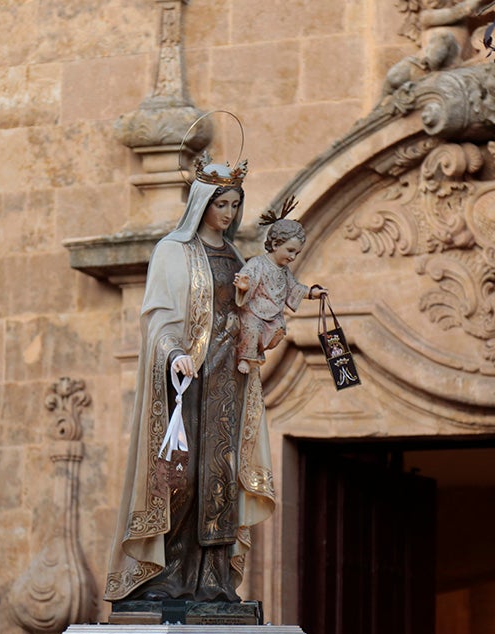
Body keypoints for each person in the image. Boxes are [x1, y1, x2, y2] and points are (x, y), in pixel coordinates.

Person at [103, 153, 276, 605]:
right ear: (203, 202)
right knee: (183, 475)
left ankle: (212, 580)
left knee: (222, 474)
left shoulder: (237, 255)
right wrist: (175, 353)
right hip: (188, 381)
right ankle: (165, 576)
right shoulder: (173, 251)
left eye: (236, 204)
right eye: (223, 203)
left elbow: (246, 312)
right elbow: (159, 317)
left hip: (228, 379)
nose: (230, 213)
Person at [233, 206, 327, 374]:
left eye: (296, 253)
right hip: (253, 312)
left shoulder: (284, 271)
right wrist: (244, 287)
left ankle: (256, 352)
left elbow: (294, 288)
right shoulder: (257, 264)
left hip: (273, 314)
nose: (292, 257)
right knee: (252, 329)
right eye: (290, 251)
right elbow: (246, 278)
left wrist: (312, 294)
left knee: (278, 330)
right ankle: (246, 358)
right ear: (276, 244)